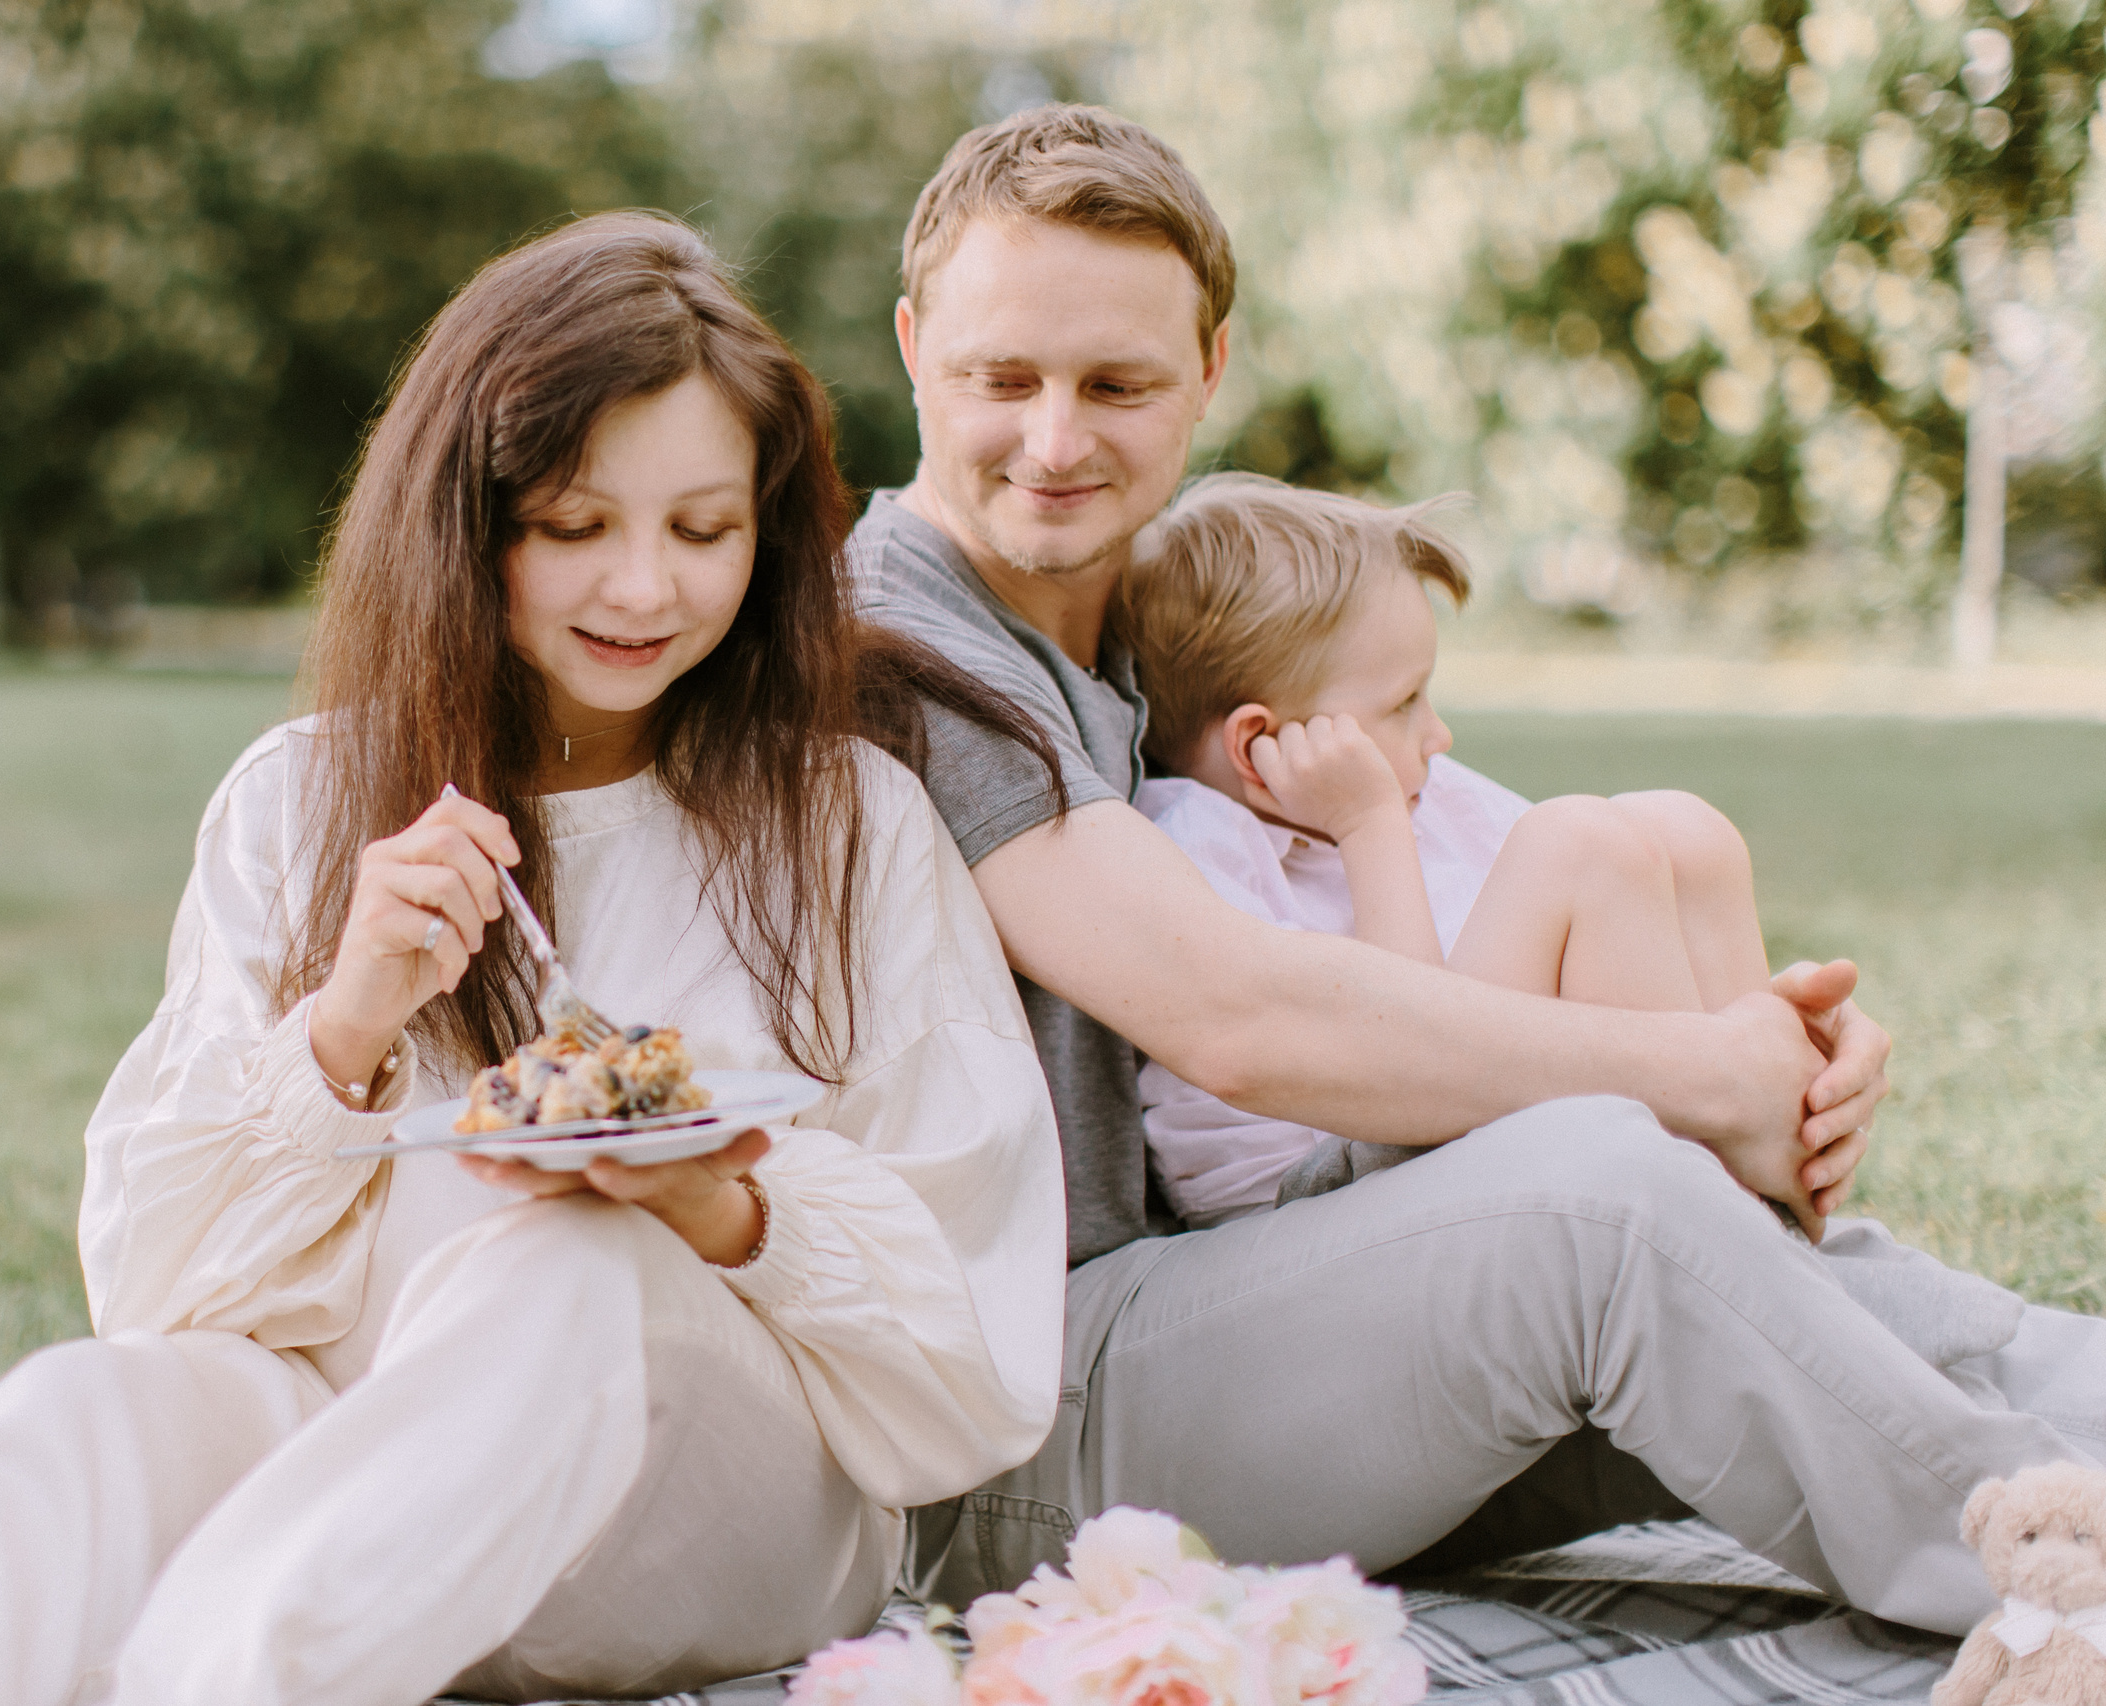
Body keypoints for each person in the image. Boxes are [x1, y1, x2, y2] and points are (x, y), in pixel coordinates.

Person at [0, 213, 1068, 1706]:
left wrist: (716, 1198)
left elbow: (972, 1374)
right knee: (82, 1411)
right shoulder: (301, 800)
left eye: (704, 530)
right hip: (351, 1452)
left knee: (571, 1256)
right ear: (464, 522)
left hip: (703, 1505)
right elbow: (155, 1289)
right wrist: (345, 1021)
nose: (643, 589)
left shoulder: (848, 829)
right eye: (574, 527)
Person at [856, 103, 2106, 1636]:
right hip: (1027, 1421)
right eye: (1001, 378)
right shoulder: (897, 642)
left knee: (1808, 1283)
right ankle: (2055, 1594)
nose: (1056, 440)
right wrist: (1704, 1073)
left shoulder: (1150, 617)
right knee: (1606, 1203)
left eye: (1116, 381)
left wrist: (1785, 1050)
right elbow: (1243, 1017)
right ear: (916, 349)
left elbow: (1476, 861)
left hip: (1267, 1312)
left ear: (1209, 373)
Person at [1116, 473, 2031, 1374]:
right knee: (1576, 843)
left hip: (1440, 1127)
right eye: (1403, 704)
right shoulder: (1201, 848)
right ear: (1260, 748)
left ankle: (1770, 1233)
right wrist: (1369, 829)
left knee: (1682, 829)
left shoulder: (1419, 791)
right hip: (1322, 1212)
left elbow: (1615, 892)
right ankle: (1748, 1276)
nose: (1438, 734)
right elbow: (1398, 1055)